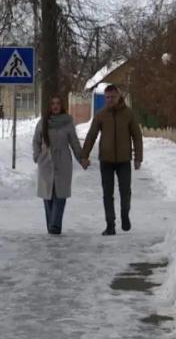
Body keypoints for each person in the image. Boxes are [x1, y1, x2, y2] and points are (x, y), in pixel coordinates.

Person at [81, 84, 143, 236]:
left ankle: (125, 214)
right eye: (107, 97)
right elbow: (91, 135)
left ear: (119, 96)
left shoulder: (128, 114)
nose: (109, 100)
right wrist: (84, 155)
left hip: (124, 160)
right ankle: (110, 225)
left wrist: (138, 158)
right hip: (106, 160)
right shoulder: (101, 115)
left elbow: (137, 136)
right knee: (107, 194)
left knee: (125, 191)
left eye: (112, 97)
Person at [33, 95, 85, 234]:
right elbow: (36, 141)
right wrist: (37, 156)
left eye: (58, 103)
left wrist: (81, 158)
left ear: (62, 106)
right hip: (46, 161)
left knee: (60, 194)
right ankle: (51, 225)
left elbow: (74, 142)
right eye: (52, 103)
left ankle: (55, 226)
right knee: (48, 195)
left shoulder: (68, 122)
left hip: (63, 162)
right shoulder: (43, 122)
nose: (55, 106)